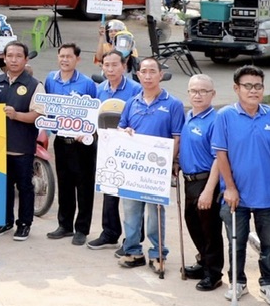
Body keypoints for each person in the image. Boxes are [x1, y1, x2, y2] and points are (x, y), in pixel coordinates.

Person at [202, 65, 270, 306]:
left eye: (258, 86)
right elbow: (221, 154)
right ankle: (237, 281)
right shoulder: (225, 116)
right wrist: (229, 188)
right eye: (247, 86)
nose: (253, 90)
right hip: (236, 194)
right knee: (235, 242)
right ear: (236, 89)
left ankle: (269, 283)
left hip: (268, 192)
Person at [115, 57, 184, 271]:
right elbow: (121, 128)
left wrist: (171, 163)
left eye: (152, 71)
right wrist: (123, 132)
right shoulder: (131, 103)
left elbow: (177, 137)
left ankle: (158, 253)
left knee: (155, 215)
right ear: (137, 74)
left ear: (160, 75)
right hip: (133, 170)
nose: (147, 76)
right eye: (143, 71)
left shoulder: (173, 104)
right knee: (131, 213)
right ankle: (133, 251)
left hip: (157, 172)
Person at [41, 43, 99, 245]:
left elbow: (95, 113)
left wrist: (86, 131)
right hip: (61, 141)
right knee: (64, 184)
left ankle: (81, 229)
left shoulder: (86, 83)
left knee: (84, 186)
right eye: (62, 56)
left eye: (69, 56)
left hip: (82, 143)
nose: (65, 60)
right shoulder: (51, 79)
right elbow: (47, 104)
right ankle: (64, 225)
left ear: (77, 59)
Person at [87, 51, 142, 251]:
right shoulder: (100, 89)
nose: (110, 69)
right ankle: (109, 233)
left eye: (114, 65)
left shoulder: (136, 89)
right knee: (109, 193)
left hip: (129, 150)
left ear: (124, 65)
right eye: (106, 65)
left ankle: (133, 239)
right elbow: (93, 117)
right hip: (106, 149)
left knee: (131, 199)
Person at [178, 74, 224, 291]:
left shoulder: (215, 121)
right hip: (188, 181)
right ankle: (203, 261)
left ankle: (213, 273)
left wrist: (208, 190)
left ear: (212, 94)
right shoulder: (188, 116)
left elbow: (219, 158)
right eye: (193, 91)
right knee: (193, 224)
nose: (198, 95)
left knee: (210, 229)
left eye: (203, 91)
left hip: (206, 181)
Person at [0, 41, 41, 241]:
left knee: (24, 187)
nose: (13, 59)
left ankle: (24, 224)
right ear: (4, 57)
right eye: (9, 55)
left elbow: (38, 115)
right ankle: (5, 221)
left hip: (22, 147)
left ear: (25, 59)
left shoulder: (34, 85)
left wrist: (17, 115)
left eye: (18, 56)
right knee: (3, 186)